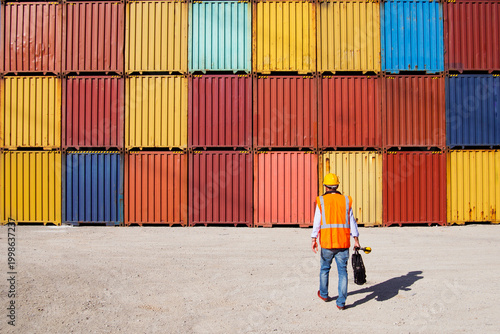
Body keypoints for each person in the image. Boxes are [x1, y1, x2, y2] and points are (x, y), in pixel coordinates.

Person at [311, 173, 360, 310]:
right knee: (343, 272)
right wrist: (356, 240)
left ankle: (324, 294)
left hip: (327, 243)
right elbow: (352, 222)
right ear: (337, 185)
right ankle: (341, 303)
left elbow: (317, 222)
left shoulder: (321, 201)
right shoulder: (346, 200)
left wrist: (314, 239)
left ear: (325, 186)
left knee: (324, 269)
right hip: (343, 243)